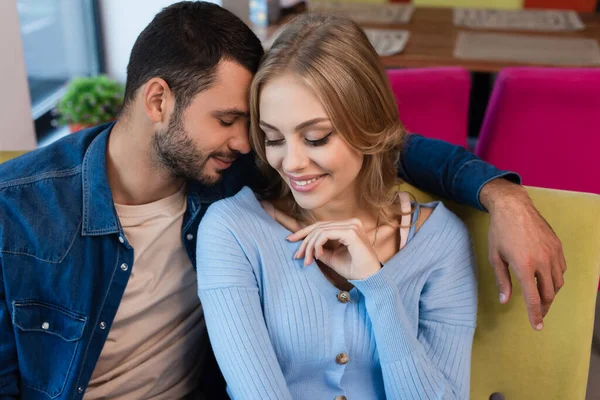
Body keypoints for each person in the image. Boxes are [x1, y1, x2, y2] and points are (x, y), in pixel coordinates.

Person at [0, 2, 563, 399]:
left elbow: (379, 144)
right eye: (234, 123)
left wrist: (500, 194)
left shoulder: (230, 165)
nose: (264, 152)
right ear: (157, 101)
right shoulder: (21, 211)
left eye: (260, 130)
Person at [196, 13, 477, 399]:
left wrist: (378, 287)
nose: (291, 162)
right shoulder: (232, 232)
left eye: (316, 138)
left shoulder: (440, 240)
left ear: (368, 123)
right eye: (274, 139)